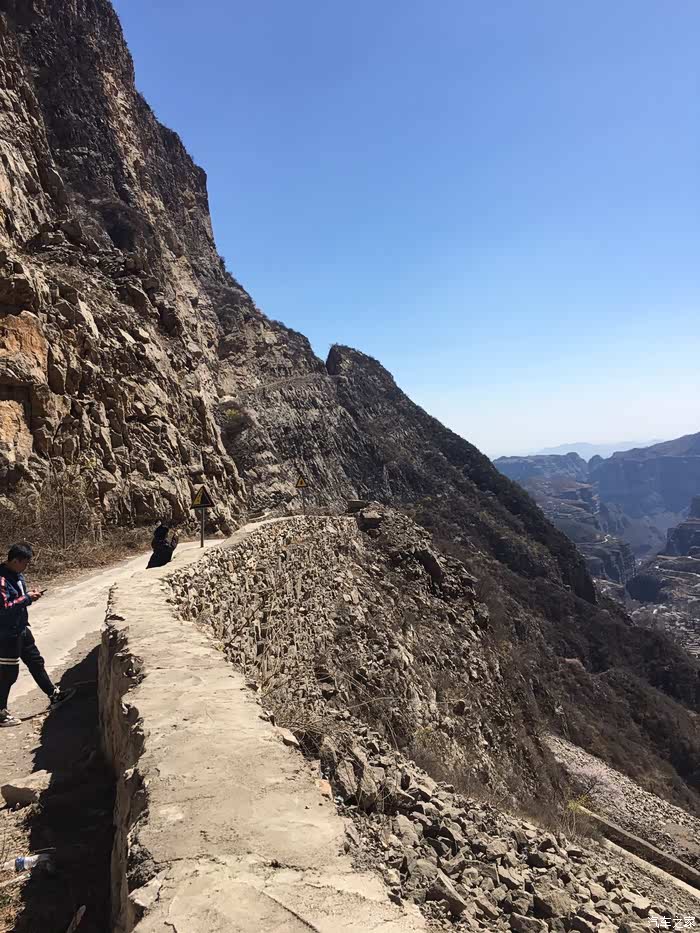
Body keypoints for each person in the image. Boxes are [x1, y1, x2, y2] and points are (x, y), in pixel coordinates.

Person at [0, 543, 74, 728]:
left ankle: (54, 694)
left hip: (21, 628)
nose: (26, 567)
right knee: (8, 674)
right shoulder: (2, 579)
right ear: (15, 560)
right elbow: (5, 607)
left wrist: (29, 595)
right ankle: (1, 712)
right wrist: (26, 599)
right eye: (25, 563)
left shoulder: (17, 575)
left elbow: (17, 598)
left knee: (35, 661)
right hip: (7, 634)